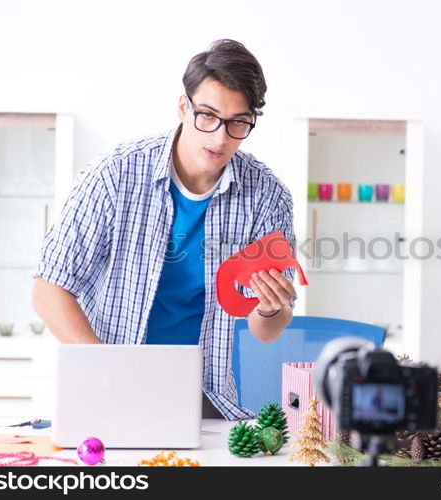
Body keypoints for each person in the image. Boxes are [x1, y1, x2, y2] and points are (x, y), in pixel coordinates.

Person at [31, 39, 298, 420]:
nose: (220, 137)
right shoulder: (114, 175)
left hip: (208, 399)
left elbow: (266, 331)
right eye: (207, 115)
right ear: (182, 107)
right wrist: (108, 369)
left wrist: (272, 309)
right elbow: (48, 290)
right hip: (108, 384)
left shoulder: (267, 197)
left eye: (238, 122)